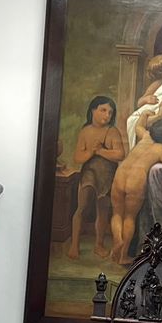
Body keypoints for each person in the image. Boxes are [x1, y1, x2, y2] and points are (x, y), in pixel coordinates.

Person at [111, 116, 162, 263]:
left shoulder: (146, 137)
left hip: (121, 174)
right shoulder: (160, 149)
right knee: (129, 217)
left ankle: (118, 240)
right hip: (136, 179)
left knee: (117, 213)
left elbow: (138, 127)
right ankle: (123, 255)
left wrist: (144, 115)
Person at [69, 96, 126, 260]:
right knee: (82, 207)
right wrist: (91, 152)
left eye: (110, 112)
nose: (107, 115)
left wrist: (101, 151)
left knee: (103, 209)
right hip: (89, 174)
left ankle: (99, 245)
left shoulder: (112, 131)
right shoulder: (85, 131)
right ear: (93, 110)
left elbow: (120, 154)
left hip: (107, 176)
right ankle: (74, 245)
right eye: (103, 110)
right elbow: (78, 157)